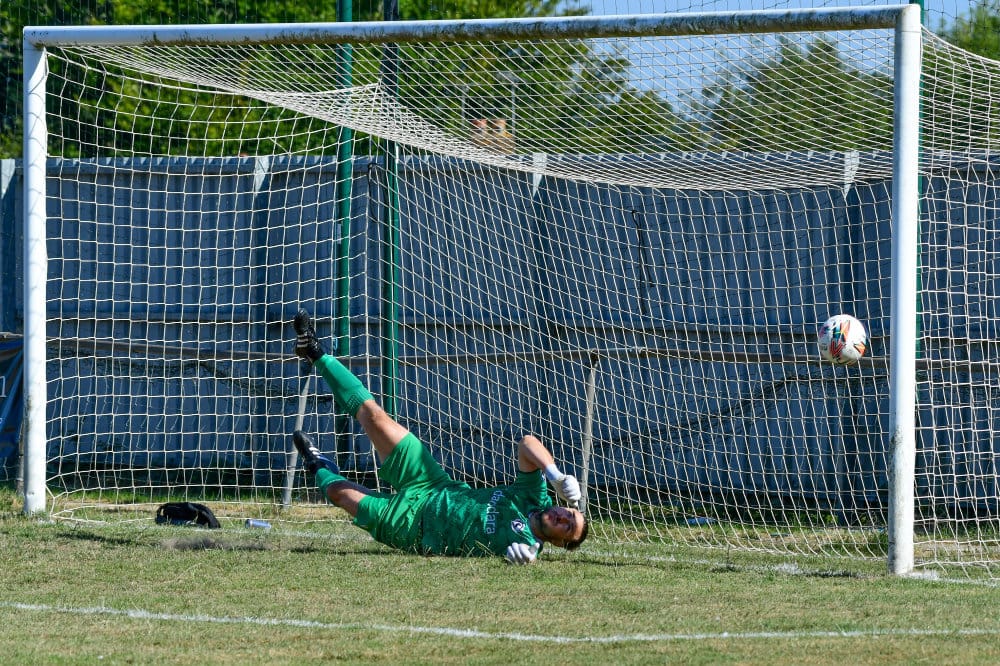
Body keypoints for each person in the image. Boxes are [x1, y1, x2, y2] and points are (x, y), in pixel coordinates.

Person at [290, 309, 588, 564]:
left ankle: (317, 464)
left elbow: (517, 555)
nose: (563, 518)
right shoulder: (534, 495)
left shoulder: (525, 545)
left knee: (338, 493)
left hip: (414, 527)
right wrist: (555, 475)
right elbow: (527, 443)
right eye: (569, 514)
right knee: (375, 417)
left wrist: (519, 557)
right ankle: (314, 351)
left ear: (558, 543)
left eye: (567, 527)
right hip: (433, 484)